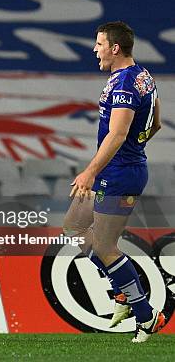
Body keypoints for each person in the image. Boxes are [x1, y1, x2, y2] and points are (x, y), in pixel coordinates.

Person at [65, 21, 164, 342]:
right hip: (120, 169)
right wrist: (137, 145)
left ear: (115, 48)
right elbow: (157, 123)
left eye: (99, 44)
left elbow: (118, 133)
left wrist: (91, 171)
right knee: (74, 227)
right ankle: (121, 291)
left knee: (105, 246)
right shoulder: (144, 77)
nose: (95, 50)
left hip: (120, 175)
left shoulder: (123, 85)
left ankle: (147, 316)